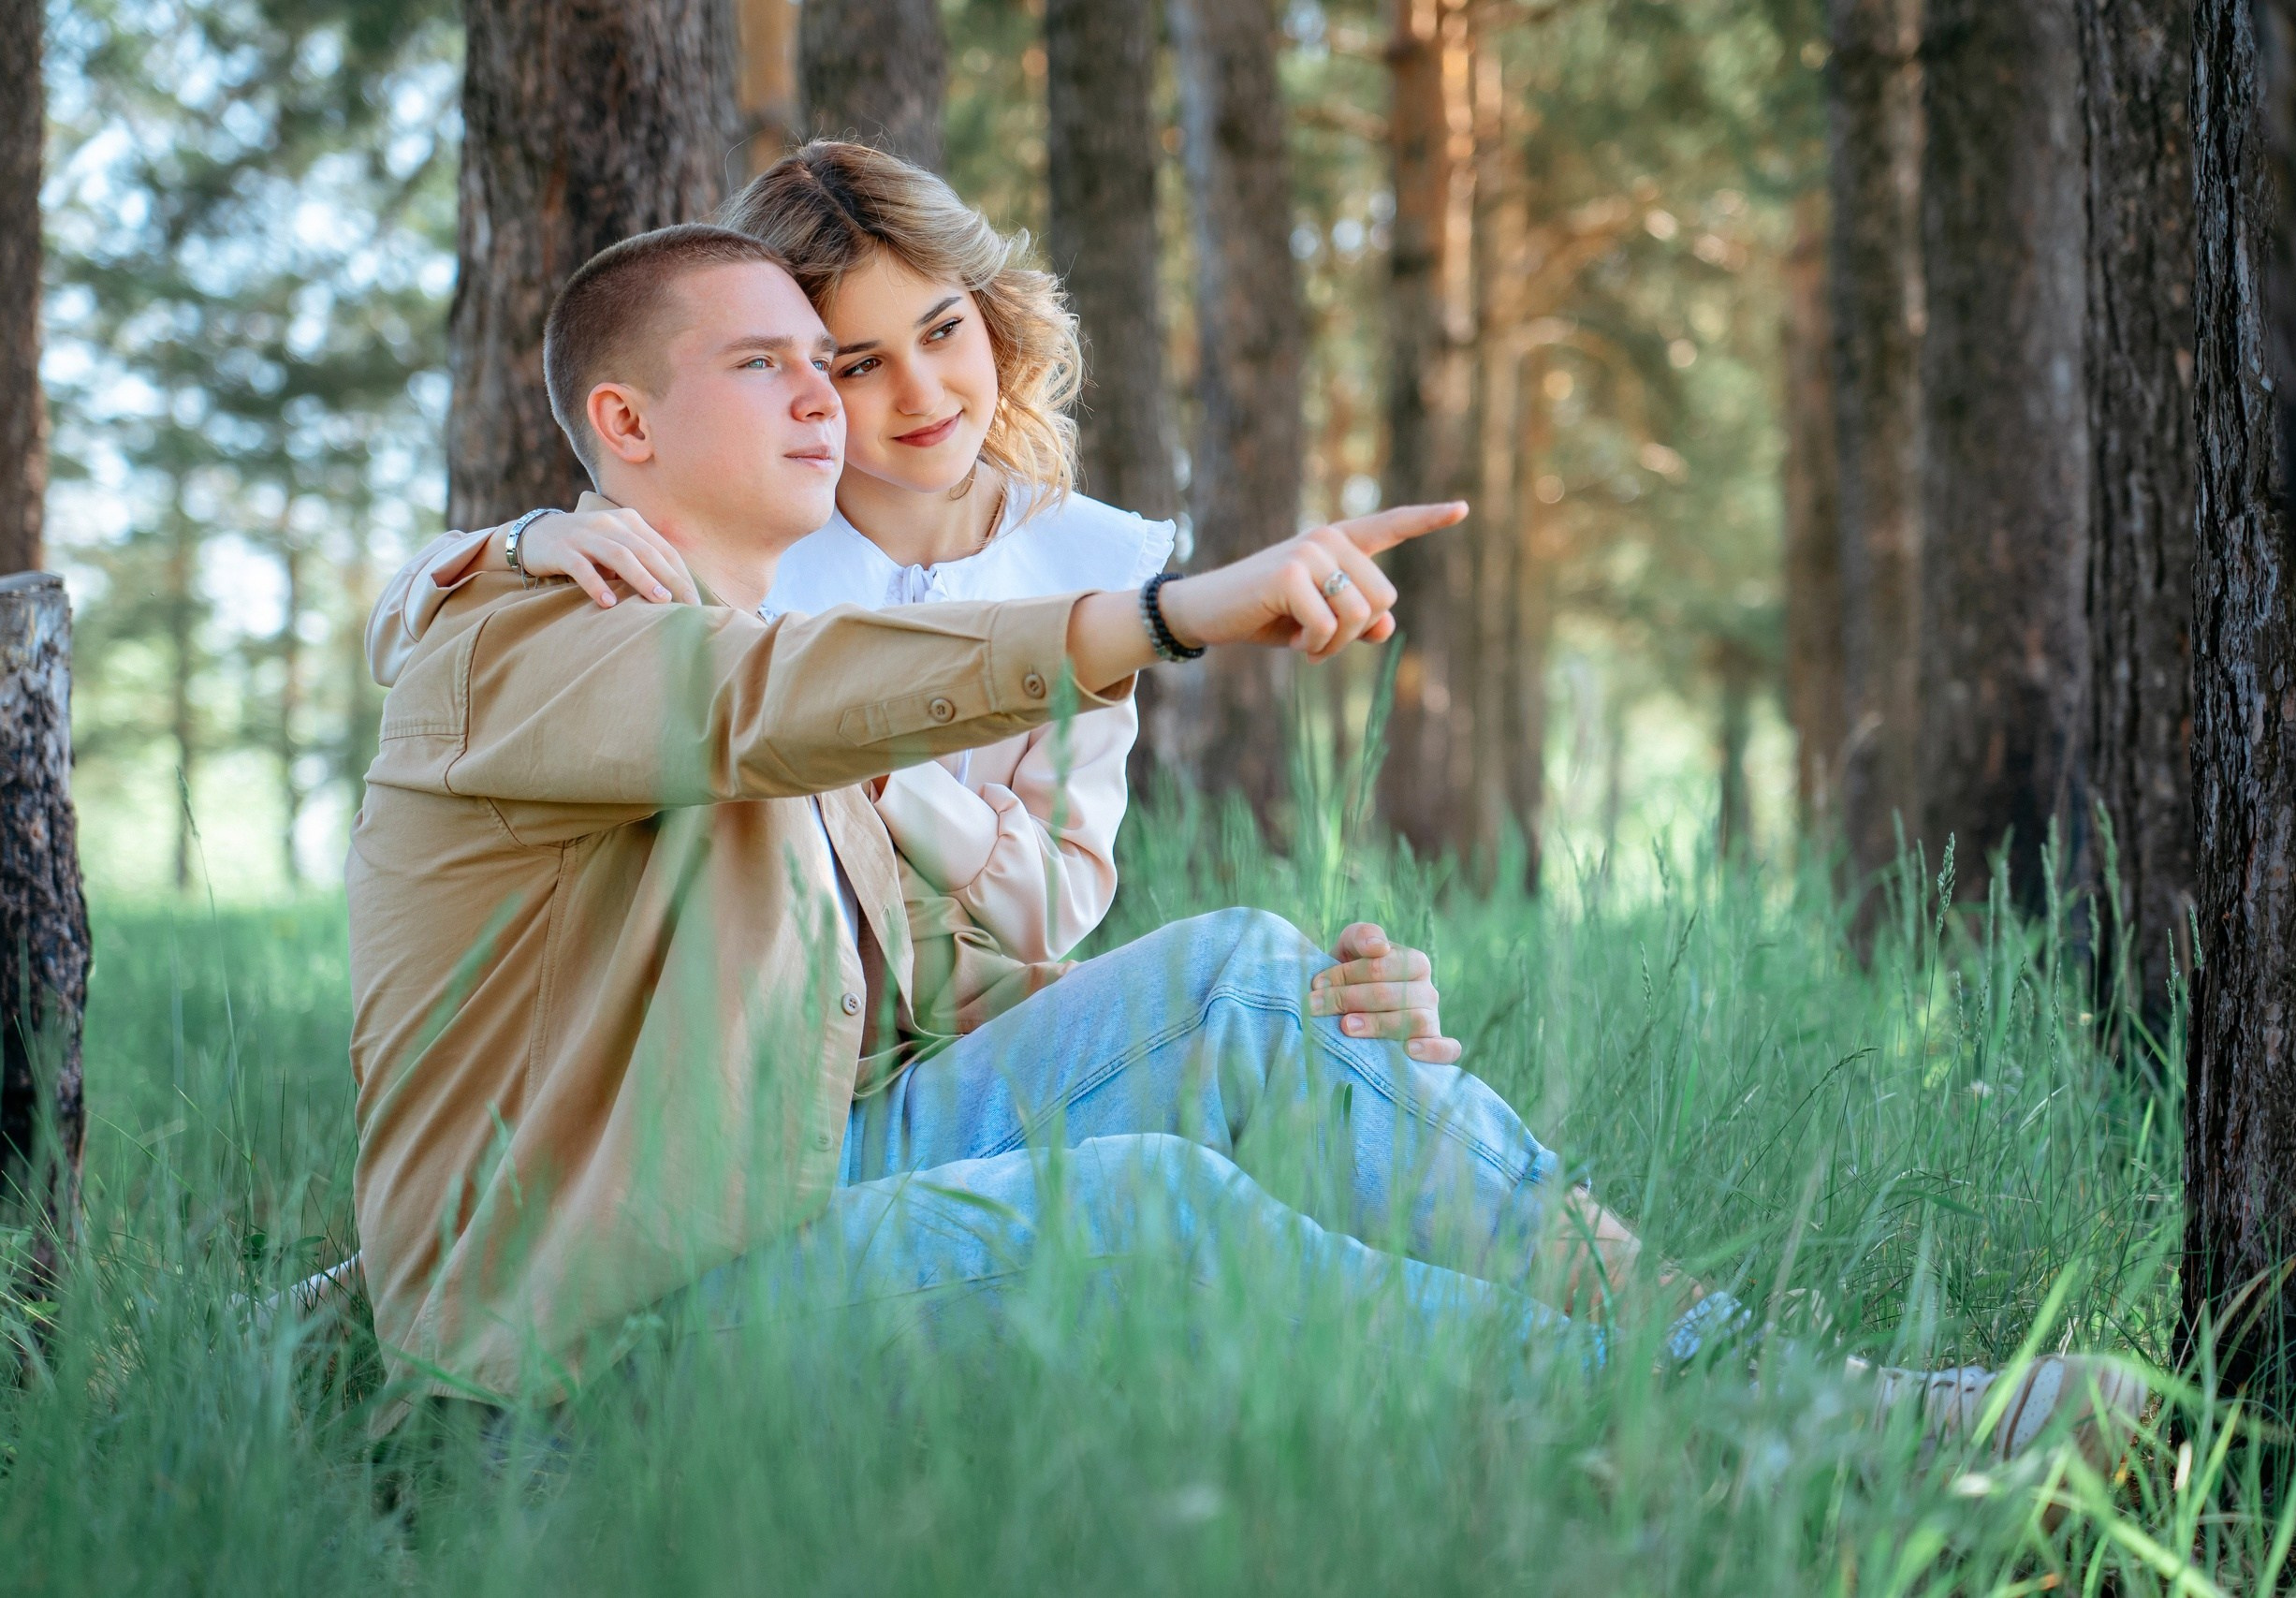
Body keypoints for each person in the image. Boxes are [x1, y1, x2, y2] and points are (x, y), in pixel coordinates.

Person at [345, 220, 2142, 1477]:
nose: (827, 397)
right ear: (626, 429)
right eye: (771, 366)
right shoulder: (521, 623)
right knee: (1145, 1204)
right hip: (595, 1338)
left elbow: (933, 999)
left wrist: (1342, 1035)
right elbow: (768, 697)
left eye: (835, 362)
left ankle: (1803, 1389)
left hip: (777, 1189)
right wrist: (1180, 610)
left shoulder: (781, 709)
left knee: (1244, 980)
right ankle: (1770, 1459)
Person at [367, 142, 1175, 975]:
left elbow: (1054, 911)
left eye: (942, 330)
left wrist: (872, 759)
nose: (922, 393)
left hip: (967, 1013)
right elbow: (414, 651)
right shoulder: (752, 528)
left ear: (991, 315)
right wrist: (520, 538)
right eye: (858, 364)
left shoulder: (1088, 560)